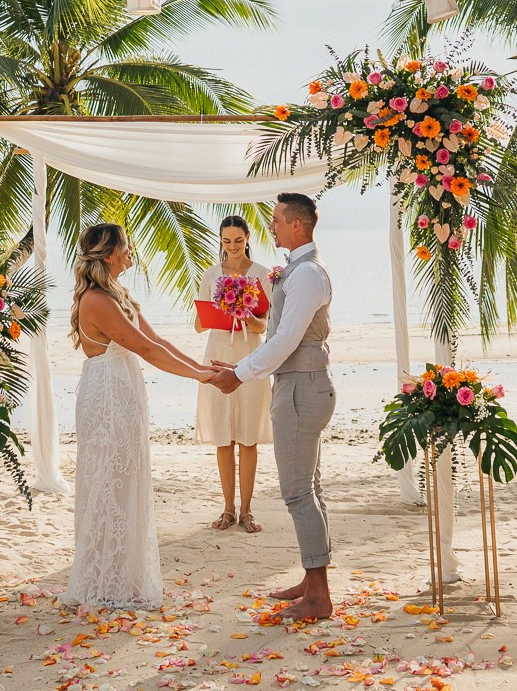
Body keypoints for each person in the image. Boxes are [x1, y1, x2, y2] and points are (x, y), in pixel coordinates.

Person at [64, 222, 214, 611]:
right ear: (111, 254)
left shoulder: (118, 295)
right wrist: (198, 377)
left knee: (126, 480)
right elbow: (146, 350)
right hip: (107, 398)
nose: (131, 251)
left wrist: (203, 369)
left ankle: (123, 576)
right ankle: (101, 579)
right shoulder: (97, 300)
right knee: (108, 481)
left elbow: (157, 342)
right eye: (126, 246)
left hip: (123, 394)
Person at [208, 192, 335, 622]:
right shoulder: (299, 270)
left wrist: (241, 374)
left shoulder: (307, 274)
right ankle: (313, 581)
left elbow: (284, 340)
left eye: (277, 220)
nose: (272, 226)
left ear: (297, 225)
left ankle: (318, 594)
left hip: (301, 389)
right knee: (309, 488)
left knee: (298, 492)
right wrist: (239, 366)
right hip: (297, 385)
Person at [194, 214, 273, 533]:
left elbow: (264, 326)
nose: (233, 246)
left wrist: (244, 312)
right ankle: (227, 509)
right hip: (217, 356)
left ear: (248, 238)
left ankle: (247, 510)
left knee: (248, 437)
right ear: (220, 240)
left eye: (238, 240)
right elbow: (199, 325)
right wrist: (220, 310)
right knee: (223, 437)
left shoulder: (262, 275)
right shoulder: (210, 274)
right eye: (226, 241)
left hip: (251, 358)